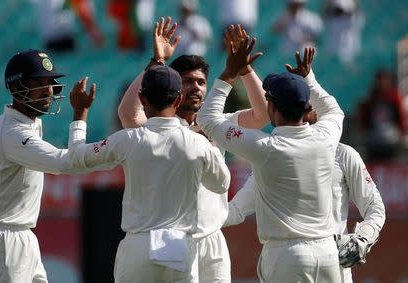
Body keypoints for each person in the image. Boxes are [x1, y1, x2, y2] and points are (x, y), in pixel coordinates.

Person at [118, 19, 268, 283]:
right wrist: (157, 62)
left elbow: (262, 115)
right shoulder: (157, 129)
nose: (196, 88)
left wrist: (244, 70)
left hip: (212, 239)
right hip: (173, 238)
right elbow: (128, 113)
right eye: (187, 81)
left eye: (201, 82)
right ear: (174, 87)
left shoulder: (218, 124)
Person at [67, 64, 231, 283]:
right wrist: (210, 148)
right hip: (181, 248)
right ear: (178, 100)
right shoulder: (198, 143)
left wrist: (80, 113)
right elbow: (222, 184)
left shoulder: (128, 139)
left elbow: (76, 157)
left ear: (142, 99)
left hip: (139, 246)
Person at [197, 44, 344, 281]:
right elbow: (333, 110)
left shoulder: (265, 147)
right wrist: (310, 80)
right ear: (306, 108)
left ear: (273, 108)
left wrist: (229, 73)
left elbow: (206, 119)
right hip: (328, 253)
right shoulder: (326, 136)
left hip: (288, 257)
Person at [0, 50, 93, 282]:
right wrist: (80, 115)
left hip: (18, 235)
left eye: (50, 82)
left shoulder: (15, 123)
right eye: (38, 82)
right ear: (16, 87)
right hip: (1, 239)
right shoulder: (13, 132)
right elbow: (65, 163)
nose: (48, 90)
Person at [225, 111, 386, 283]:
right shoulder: (272, 156)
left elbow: (374, 206)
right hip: (297, 259)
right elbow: (236, 209)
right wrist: (199, 219)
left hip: (327, 259)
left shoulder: (343, 154)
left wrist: (364, 237)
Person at [357, 69, 407, 161]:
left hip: (392, 140)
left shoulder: (395, 98)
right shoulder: (371, 98)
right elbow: (363, 118)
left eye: (384, 80)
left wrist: (401, 133)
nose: (382, 83)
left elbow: (401, 117)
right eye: (380, 81)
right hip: (373, 140)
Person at [323, 0, 364, 64]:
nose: (341, 13)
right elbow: (325, 12)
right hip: (332, 51)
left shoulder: (354, 20)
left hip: (350, 50)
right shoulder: (330, 19)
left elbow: (357, 12)